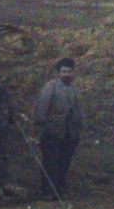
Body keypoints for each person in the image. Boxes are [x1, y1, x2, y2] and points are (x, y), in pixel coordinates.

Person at [31, 57, 82, 201]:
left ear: (73, 72)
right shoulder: (50, 87)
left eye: (69, 71)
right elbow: (41, 109)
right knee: (50, 163)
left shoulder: (74, 90)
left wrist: (77, 127)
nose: (67, 74)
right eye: (64, 71)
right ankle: (47, 192)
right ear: (59, 73)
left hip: (69, 133)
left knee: (64, 163)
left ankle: (60, 190)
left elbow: (77, 111)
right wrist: (42, 128)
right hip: (52, 132)